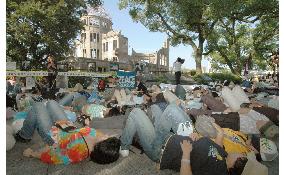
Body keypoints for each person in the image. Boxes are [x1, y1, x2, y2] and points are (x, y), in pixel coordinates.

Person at [15, 100, 121, 165]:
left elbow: (53, 158)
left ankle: (24, 135)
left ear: (102, 145)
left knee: (38, 106)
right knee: (51, 103)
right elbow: (85, 129)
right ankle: (25, 134)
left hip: (53, 135)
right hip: (67, 126)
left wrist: (32, 154)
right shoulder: (99, 136)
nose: (107, 135)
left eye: (108, 137)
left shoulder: (77, 153)